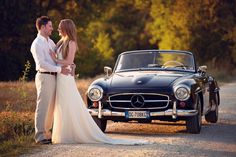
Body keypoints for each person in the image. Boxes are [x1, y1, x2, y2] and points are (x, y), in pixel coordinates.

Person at [50, 19, 150, 145]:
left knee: (69, 103)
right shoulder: (61, 42)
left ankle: (71, 134)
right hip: (61, 77)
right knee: (62, 105)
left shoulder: (71, 42)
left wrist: (55, 59)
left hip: (65, 78)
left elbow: (69, 61)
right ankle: (64, 134)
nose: (58, 29)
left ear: (66, 28)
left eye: (60, 27)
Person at [30, 16, 71, 144]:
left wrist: (68, 65)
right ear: (42, 27)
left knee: (50, 107)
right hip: (44, 76)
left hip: (53, 77)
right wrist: (60, 70)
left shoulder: (50, 41)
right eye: (50, 26)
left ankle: (47, 134)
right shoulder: (37, 43)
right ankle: (40, 136)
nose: (52, 29)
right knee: (43, 106)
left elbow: (56, 59)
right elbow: (41, 63)